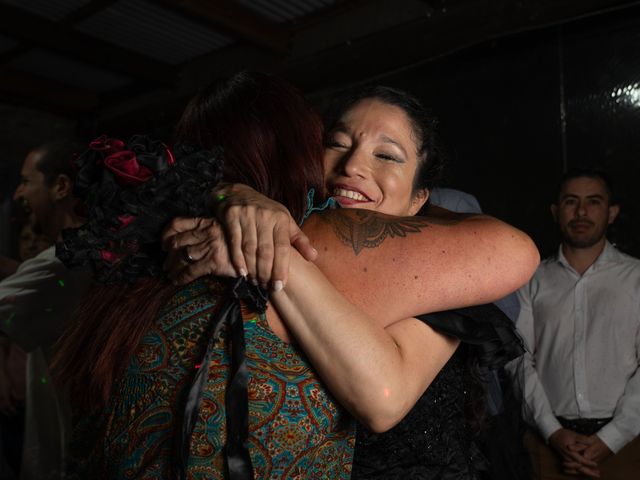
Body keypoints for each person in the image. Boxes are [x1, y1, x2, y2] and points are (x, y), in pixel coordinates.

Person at [55, 73, 537, 479]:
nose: (352, 166)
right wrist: (232, 198)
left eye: (387, 156)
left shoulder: (442, 264)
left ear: (420, 199)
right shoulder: (286, 226)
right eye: (334, 143)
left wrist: (249, 223)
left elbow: (382, 398)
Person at [512, 169, 640, 479]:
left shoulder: (636, 278)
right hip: (547, 447)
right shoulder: (529, 280)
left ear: (612, 213)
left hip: (627, 446)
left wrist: (611, 439)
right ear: (556, 212)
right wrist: (553, 433)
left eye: (593, 202)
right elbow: (517, 360)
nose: (581, 212)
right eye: (571, 201)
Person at [0, 141, 89, 480]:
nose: (20, 194)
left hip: (68, 454)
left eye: (26, 181)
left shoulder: (62, 264)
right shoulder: (91, 252)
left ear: (61, 187)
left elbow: (42, 276)